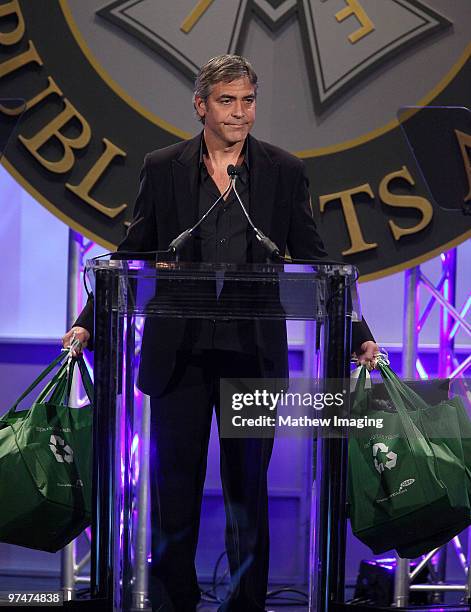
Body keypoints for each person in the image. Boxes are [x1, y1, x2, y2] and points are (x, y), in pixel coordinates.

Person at [63, 55, 379, 612]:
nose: (241, 113)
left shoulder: (283, 171)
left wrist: (357, 330)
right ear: (200, 105)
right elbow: (135, 251)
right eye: (228, 102)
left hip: (250, 357)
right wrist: (89, 321)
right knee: (174, 498)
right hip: (178, 358)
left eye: (248, 100)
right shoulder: (163, 167)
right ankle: (172, 602)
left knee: (246, 499)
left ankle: (245, 605)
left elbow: (316, 259)